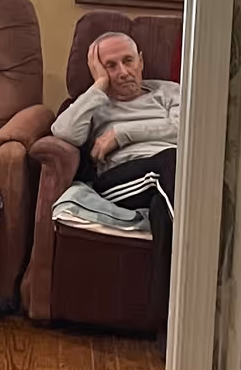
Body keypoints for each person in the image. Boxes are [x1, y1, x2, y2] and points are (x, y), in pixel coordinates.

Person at [49, 30, 181, 325]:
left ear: (141, 62)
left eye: (128, 61)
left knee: (163, 206)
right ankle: (191, 287)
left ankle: (166, 325)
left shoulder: (170, 92)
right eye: (110, 65)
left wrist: (122, 134)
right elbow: (64, 132)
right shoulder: (95, 103)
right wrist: (97, 87)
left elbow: (186, 128)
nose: (122, 72)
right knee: (169, 164)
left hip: (169, 178)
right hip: (123, 180)